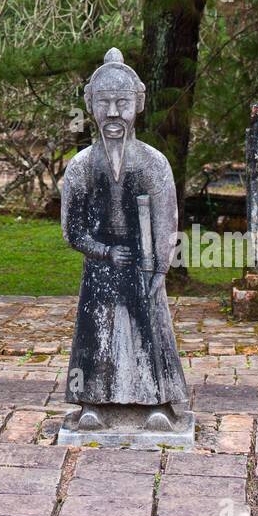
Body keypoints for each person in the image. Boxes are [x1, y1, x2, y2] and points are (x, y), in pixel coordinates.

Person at [62, 47, 189, 431]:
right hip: (100, 271)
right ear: (90, 106)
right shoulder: (82, 166)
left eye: (123, 103)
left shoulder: (153, 163)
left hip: (144, 267)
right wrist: (103, 251)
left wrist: (160, 267)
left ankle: (159, 404)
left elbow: (167, 221)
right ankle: (93, 404)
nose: (114, 113)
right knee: (96, 332)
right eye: (104, 103)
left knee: (151, 331)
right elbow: (71, 230)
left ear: (139, 103)